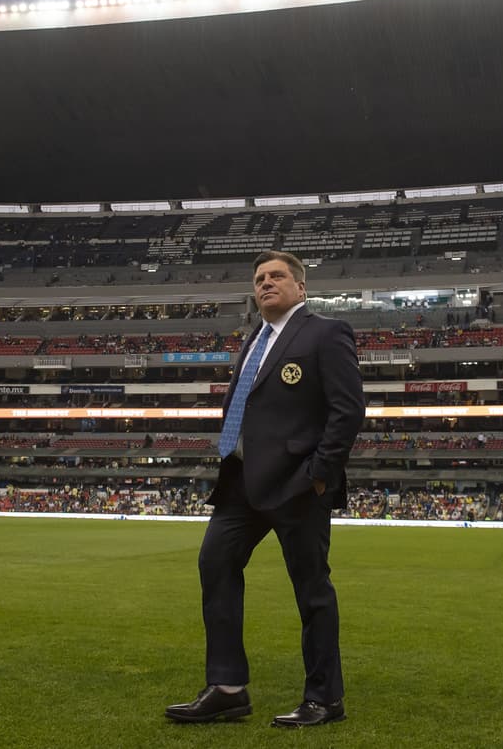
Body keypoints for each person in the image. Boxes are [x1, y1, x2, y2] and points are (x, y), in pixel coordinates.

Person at [165, 250, 364, 728]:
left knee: (312, 590)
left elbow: (348, 410)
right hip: (240, 483)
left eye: (277, 276)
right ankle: (228, 688)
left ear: (300, 288)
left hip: (297, 483)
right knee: (215, 564)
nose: (266, 283)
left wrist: (319, 473)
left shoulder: (325, 332)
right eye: (259, 279)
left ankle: (324, 698)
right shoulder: (255, 338)